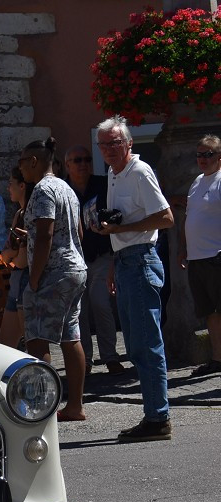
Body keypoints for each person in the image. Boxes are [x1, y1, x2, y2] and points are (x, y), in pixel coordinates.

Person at [95, 116, 174, 441]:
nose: (110, 149)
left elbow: (166, 217)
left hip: (141, 262)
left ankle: (158, 418)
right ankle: (154, 415)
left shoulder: (139, 172)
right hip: (127, 262)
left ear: (128, 143)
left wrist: (120, 230)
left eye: (115, 143)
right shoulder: (114, 175)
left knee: (146, 344)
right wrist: (115, 258)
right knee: (136, 345)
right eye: (104, 144)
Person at [18, 137, 88, 423]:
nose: (20, 169)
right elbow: (79, 232)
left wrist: (34, 279)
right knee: (71, 337)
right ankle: (75, 406)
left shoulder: (43, 190)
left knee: (37, 339)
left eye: (22, 163)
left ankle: (40, 408)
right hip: (75, 268)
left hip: (53, 272)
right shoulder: (65, 188)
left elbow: (45, 235)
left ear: (34, 161)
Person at [65, 145, 123, 375]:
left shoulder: (102, 184)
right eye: (77, 160)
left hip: (101, 255)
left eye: (87, 159)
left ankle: (110, 357)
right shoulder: (64, 188)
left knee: (101, 305)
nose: (83, 164)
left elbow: (117, 212)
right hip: (74, 258)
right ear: (67, 165)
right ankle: (85, 361)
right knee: (80, 311)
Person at [177, 133, 221, 378]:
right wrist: (183, 248)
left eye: (209, 154)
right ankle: (217, 358)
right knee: (209, 311)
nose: (203, 159)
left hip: (217, 254)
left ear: (219, 157)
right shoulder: (197, 181)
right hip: (197, 257)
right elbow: (188, 217)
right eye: (199, 155)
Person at [0, 167, 32, 349]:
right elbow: (6, 253)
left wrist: (12, 254)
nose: (8, 188)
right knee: (7, 344)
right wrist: (12, 253)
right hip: (16, 279)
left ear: (22, 186)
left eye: (10, 184)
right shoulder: (19, 214)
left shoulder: (29, 214)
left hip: (25, 279)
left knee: (33, 343)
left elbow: (21, 260)